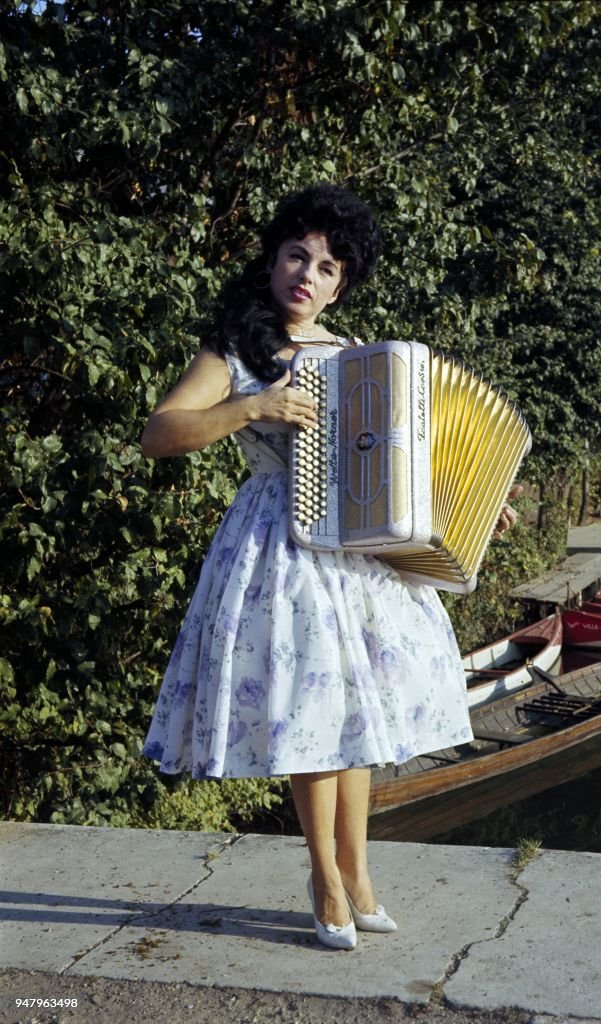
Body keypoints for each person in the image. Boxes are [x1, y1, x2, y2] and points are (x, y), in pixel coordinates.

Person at [141, 184, 517, 950]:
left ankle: (358, 869)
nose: (308, 276)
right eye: (297, 256)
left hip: (355, 551)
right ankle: (324, 878)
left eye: (328, 268)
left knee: (358, 718)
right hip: (280, 545)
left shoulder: (354, 357)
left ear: (341, 284)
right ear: (273, 260)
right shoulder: (234, 349)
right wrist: (250, 408)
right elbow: (160, 432)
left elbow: (394, 466)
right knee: (312, 715)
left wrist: (466, 511)